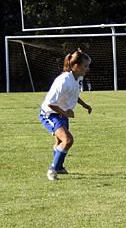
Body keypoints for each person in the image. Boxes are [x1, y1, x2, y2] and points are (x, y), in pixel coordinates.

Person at [39, 48, 93, 180]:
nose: (88, 69)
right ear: (76, 66)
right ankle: (52, 170)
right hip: (50, 113)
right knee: (68, 140)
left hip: (61, 113)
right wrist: (66, 113)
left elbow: (73, 94)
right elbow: (50, 103)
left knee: (60, 141)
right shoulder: (63, 81)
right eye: (85, 66)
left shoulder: (77, 77)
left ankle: (59, 167)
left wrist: (84, 104)